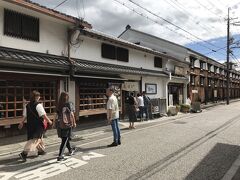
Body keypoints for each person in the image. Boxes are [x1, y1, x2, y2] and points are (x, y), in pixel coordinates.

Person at [18, 90, 52, 161]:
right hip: (38, 125)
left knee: (39, 137)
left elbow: (25, 116)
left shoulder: (27, 106)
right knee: (35, 139)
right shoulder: (38, 105)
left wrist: (22, 122)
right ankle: (24, 153)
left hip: (30, 125)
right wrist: (49, 120)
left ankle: (40, 151)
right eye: (38, 96)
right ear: (36, 97)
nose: (39, 97)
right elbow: (43, 115)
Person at [56, 92, 76, 161]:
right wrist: (74, 122)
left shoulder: (59, 104)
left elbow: (56, 114)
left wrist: (53, 123)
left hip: (59, 124)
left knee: (65, 138)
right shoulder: (69, 104)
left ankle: (70, 150)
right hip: (66, 123)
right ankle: (60, 156)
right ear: (67, 97)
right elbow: (72, 114)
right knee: (64, 140)